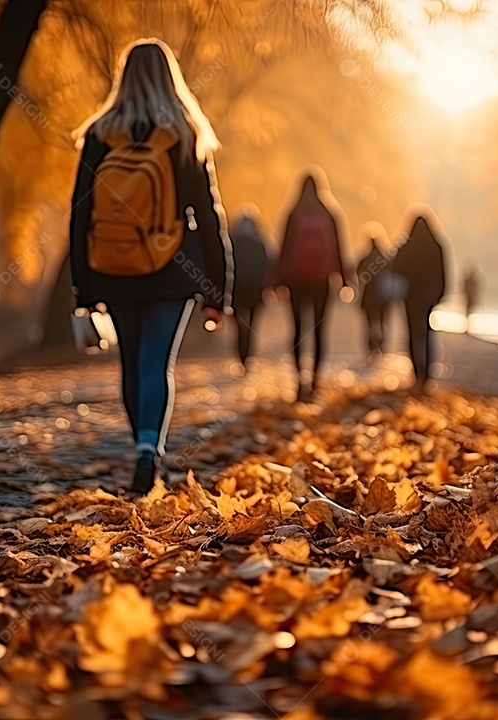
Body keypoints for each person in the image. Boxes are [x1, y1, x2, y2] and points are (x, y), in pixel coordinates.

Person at [69, 39, 232, 494]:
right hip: (172, 269)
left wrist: (83, 287)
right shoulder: (183, 133)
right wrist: (218, 289)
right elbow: (208, 215)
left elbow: (80, 213)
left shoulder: (101, 133)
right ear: (169, 77)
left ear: (124, 78)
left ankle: (141, 445)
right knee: (155, 362)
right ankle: (149, 449)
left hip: (112, 267)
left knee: (131, 362)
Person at [275, 169, 353, 402]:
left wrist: (278, 281)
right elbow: (340, 247)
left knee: (298, 330)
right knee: (320, 331)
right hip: (322, 281)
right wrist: (344, 280)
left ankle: (299, 381)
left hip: (296, 281)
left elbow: (283, 249)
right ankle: (316, 380)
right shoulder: (329, 213)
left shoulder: (293, 213)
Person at [392, 210, 448, 390]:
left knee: (411, 332)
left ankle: (417, 372)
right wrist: (440, 294)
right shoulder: (436, 246)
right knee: (426, 332)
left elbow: (395, 269)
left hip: (411, 295)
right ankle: (427, 373)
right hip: (428, 296)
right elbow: (443, 273)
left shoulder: (407, 246)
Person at [228, 205, 271, 368]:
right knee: (252, 325)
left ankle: (241, 355)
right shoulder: (260, 242)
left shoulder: (231, 242)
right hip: (255, 291)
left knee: (238, 325)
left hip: (235, 290)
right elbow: (266, 266)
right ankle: (248, 355)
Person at [355, 222, 392, 357]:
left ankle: (371, 346)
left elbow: (357, 273)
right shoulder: (386, 258)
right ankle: (381, 344)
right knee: (383, 321)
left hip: (369, 296)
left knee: (369, 323)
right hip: (383, 296)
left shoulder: (365, 258)